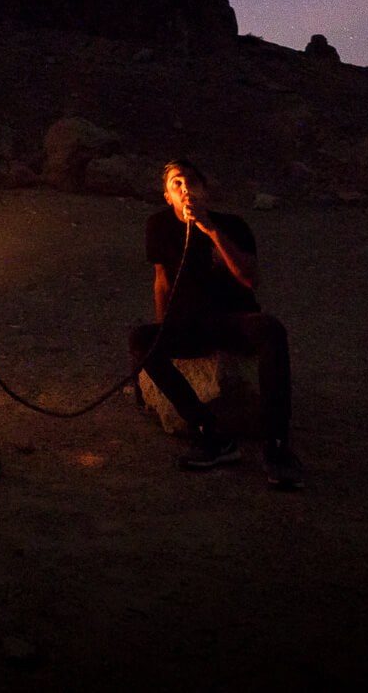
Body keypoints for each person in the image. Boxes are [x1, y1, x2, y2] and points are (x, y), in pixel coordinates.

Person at [128, 159, 304, 488]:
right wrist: (164, 326)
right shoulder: (158, 226)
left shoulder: (232, 226)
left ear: (204, 190)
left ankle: (277, 446)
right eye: (176, 183)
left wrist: (210, 229)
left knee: (271, 330)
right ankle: (209, 433)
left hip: (232, 320)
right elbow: (161, 281)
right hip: (189, 324)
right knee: (141, 339)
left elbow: (250, 279)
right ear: (167, 196)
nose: (184, 188)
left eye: (191, 181)